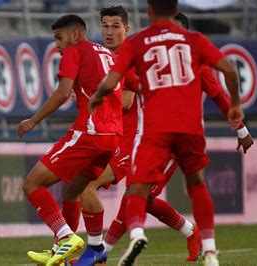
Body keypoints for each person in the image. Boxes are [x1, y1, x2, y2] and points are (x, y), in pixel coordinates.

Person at [89, 1, 244, 265]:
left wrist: (98, 96)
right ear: (175, 11)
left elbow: (118, 89)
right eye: (105, 26)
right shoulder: (194, 41)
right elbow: (229, 69)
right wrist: (237, 109)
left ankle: (115, 243)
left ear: (148, 12)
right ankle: (208, 249)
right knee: (195, 185)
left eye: (115, 26)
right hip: (189, 129)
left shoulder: (138, 44)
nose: (109, 31)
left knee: (135, 190)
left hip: (153, 131)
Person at [18, 14, 122, 266]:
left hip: (90, 131)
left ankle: (66, 236)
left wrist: (33, 120)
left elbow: (62, 92)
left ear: (75, 35)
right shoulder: (107, 54)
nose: (57, 44)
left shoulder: (74, 51)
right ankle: (79, 251)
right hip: (113, 137)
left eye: (59, 37)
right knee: (72, 190)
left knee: (32, 184)